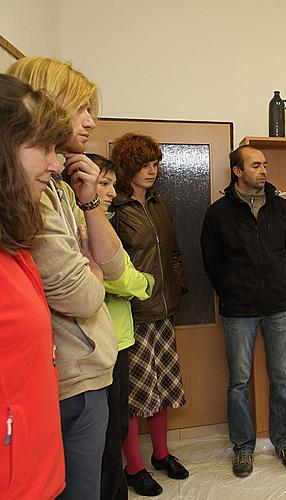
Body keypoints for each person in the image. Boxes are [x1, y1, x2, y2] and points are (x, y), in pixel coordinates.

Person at [7, 57, 126, 500]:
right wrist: (90, 265)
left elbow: (113, 267)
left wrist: (92, 202)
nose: (91, 122)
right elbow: (84, 295)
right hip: (67, 381)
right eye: (81, 108)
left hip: (88, 369)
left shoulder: (61, 187)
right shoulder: (29, 194)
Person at [200, 145, 286, 478]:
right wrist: (231, 290)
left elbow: (284, 250)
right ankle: (243, 448)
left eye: (265, 164)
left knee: (282, 379)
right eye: (255, 165)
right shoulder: (218, 213)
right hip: (239, 308)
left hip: (279, 304)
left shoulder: (280, 207)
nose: (263, 170)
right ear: (237, 171)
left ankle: (283, 440)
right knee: (239, 382)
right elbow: (211, 262)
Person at [0, 72, 71, 499]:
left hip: (38, 474)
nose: (56, 163)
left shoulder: (16, 244)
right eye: (42, 148)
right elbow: (82, 290)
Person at [110, 133, 188, 496]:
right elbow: (113, 267)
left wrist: (175, 286)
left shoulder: (159, 204)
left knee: (163, 389)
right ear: (128, 167)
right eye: (144, 165)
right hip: (134, 315)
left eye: (155, 164)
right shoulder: (114, 209)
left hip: (164, 311)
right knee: (133, 395)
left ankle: (161, 454)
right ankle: (133, 466)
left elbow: (173, 253)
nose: (152, 171)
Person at [87, 153, 154, 500]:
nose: (112, 192)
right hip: (99, 342)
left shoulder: (104, 221)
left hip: (119, 337)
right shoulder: (87, 225)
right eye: (104, 183)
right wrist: (143, 283)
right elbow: (120, 278)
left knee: (114, 430)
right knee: (105, 439)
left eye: (113, 184)